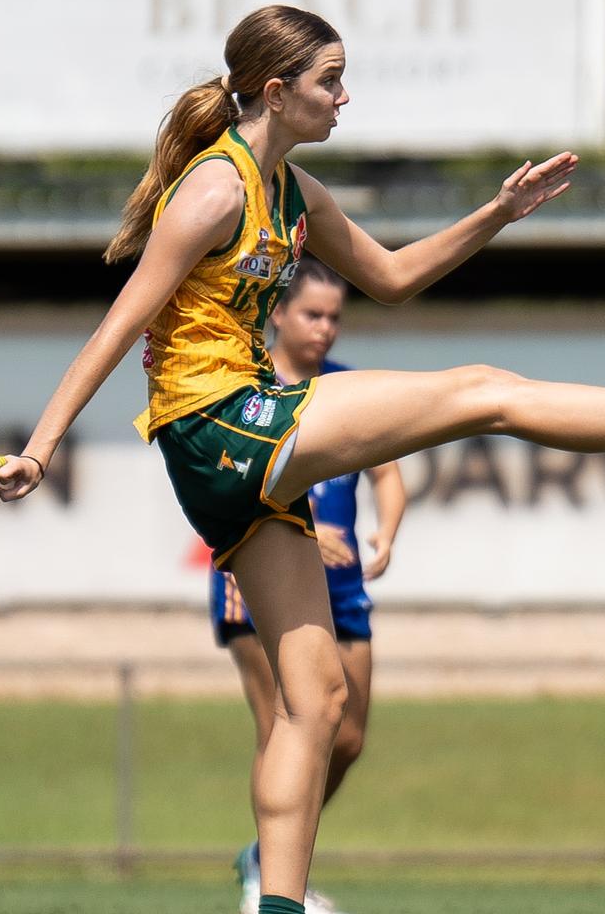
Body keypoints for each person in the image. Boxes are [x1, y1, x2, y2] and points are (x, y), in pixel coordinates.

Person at [0, 3, 605, 914]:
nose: (345, 96)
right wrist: (43, 446)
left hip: (226, 460)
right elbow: (122, 320)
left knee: (317, 702)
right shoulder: (216, 189)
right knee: (483, 390)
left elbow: (394, 279)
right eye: (330, 80)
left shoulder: (295, 189)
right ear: (276, 90)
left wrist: (497, 211)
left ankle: (276, 905)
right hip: (224, 423)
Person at [209, 255, 406, 914]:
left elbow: (385, 471)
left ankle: (264, 854)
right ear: (279, 315)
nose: (325, 329)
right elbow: (227, 473)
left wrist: (388, 529)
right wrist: (299, 527)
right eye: (312, 314)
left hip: (342, 588)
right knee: (289, 726)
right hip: (260, 577)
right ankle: (271, 885)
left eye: (334, 318)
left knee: (346, 739)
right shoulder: (249, 387)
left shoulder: (347, 388)